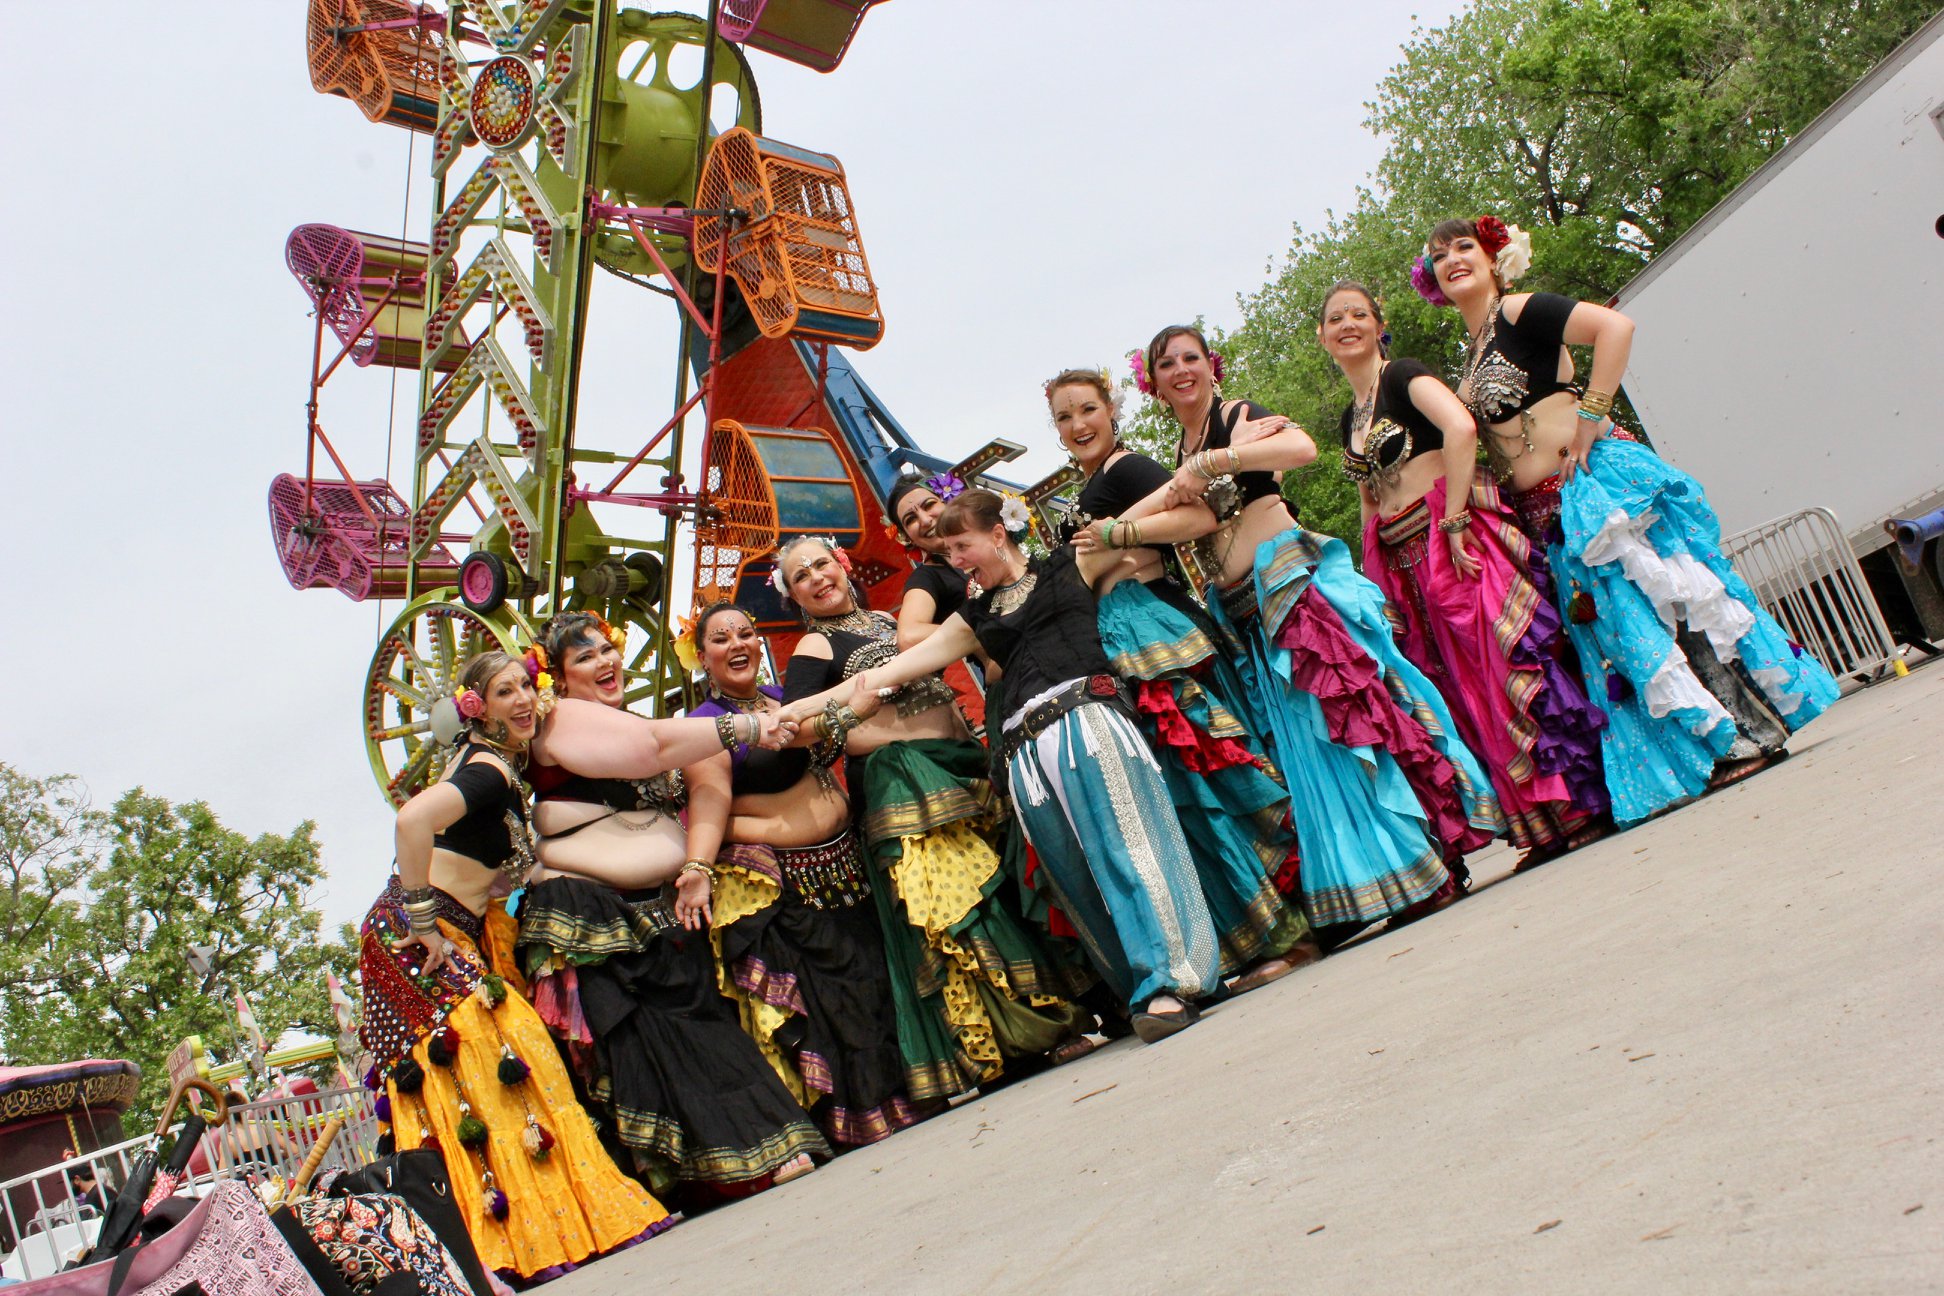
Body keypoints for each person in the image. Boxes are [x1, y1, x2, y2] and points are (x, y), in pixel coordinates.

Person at [1414, 215, 1839, 824]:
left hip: (1592, 490)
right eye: (1439, 254)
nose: (1451, 257)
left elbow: (1615, 327)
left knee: (1663, 607)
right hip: (1548, 513)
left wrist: (1592, 412)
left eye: (1464, 246)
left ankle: (1746, 734)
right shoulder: (1474, 349)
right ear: (1432, 279)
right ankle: (1705, 749)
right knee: (1620, 637)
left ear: (1491, 257)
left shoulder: (1520, 311)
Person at [785, 490, 1227, 1043]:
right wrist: (789, 711)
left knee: (1131, 850)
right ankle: (1139, 984)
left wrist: (1175, 491)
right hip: (1025, 754)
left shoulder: (1070, 562)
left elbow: (1193, 516)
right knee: (1076, 876)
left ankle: (1169, 981)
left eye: (963, 545)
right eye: (948, 551)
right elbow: (879, 675)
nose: (957, 560)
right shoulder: (973, 617)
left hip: (1088, 724)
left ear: (999, 533)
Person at [1124, 324, 1503, 939]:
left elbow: (1301, 450)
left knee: (1354, 725)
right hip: (1242, 608)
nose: (1181, 369)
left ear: (1210, 365)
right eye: (1167, 364)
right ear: (1155, 384)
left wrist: (1217, 458)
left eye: (1191, 357)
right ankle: (1384, 876)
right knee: (1309, 751)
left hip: (1290, 590)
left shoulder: (1237, 417)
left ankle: (1426, 862)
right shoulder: (1179, 451)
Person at [357, 651, 674, 1282]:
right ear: (477, 707)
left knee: (474, 1079)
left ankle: (508, 1244)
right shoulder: (491, 770)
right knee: (507, 1059)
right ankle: (518, 1242)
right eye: (505, 692)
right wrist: (422, 920)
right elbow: (412, 819)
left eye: (528, 686)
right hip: (419, 933)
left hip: (439, 929)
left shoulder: (497, 765)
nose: (524, 700)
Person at [516, 610, 828, 1205]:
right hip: (595, 918)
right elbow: (651, 749)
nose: (605, 663)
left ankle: (741, 1163)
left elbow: (697, 778)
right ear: (555, 678)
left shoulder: (618, 717)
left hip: (655, 910)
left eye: (607, 649)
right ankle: (744, 1163)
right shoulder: (559, 720)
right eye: (584, 658)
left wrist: (696, 866)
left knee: (699, 1029)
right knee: (663, 1043)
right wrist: (744, 730)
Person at [772, 536, 1097, 1100]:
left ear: (842, 563)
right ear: (794, 595)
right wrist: (855, 709)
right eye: (801, 576)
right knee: (961, 906)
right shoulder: (814, 649)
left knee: (1011, 882)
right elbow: (792, 730)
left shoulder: (886, 621)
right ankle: (1010, 1039)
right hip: (905, 782)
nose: (817, 578)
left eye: (821, 563)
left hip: (962, 764)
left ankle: (1072, 1003)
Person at [1318, 281, 1610, 866]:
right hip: (1403, 561)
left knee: (1502, 668)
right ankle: (1536, 825)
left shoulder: (1402, 376)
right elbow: (1369, 498)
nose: (1347, 323)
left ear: (1380, 325)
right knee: (1462, 690)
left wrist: (1452, 520)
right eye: (1334, 319)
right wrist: (1370, 579)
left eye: (1358, 314)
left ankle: (1576, 805)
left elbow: (1460, 428)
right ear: (1323, 337)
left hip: (1453, 543)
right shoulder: (1352, 415)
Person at [1045, 367, 1317, 987]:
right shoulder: (1085, 486)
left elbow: (1199, 520)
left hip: (1157, 636)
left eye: (1088, 409)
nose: (1079, 424)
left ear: (1112, 410)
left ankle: (1288, 933)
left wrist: (1117, 537)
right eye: (1065, 417)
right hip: (1121, 644)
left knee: (1212, 776)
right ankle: (1255, 938)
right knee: (1183, 792)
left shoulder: (1129, 469)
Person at [686, 603, 923, 1147]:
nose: (738, 643)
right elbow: (709, 802)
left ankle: (916, 1091)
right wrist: (700, 863)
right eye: (721, 639)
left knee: (880, 978)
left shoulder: (784, 698)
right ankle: (861, 1118)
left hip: (849, 861)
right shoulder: (705, 726)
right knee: (838, 998)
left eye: (746, 631)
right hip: (794, 882)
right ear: (702, 658)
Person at [886, 474, 990, 728]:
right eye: (910, 519)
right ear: (906, 537)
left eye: (929, 505)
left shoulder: (995, 534)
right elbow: (909, 635)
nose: (924, 520)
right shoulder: (929, 576)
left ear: (948, 500)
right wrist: (980, 633)